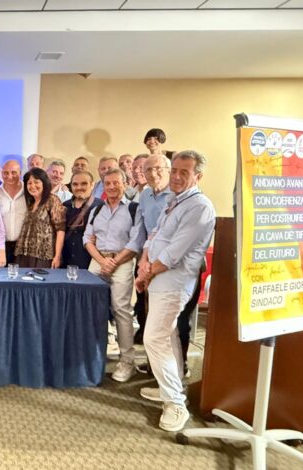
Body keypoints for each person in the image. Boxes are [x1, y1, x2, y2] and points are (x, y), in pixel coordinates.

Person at [136, 150, 215, 432]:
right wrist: (144, 262)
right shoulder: (174, 200)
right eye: (175, 171)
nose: (177, 177)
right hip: (158, 278)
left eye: (185, 172)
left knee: (154, 338)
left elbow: (173, 254)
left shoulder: (200, 207)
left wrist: (147, 272)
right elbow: (154, 236)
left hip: (174, 282)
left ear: (198, 176)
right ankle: (172, 386)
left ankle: (175, 403)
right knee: (167, 336)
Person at [83, 168, 145, 383]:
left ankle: (127, 362)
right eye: (107, 183)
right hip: (98, 261)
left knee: (121, 310)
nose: (111, 187)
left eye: (115, 183)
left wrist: (114, 262)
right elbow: (87, 239)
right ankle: (91, 356)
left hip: (123, 262)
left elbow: (136, 242)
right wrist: (102, 261)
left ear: (125, 184)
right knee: (90, 309)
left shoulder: (134, 209)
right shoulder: (97, 210)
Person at [133, 155, 172, 346]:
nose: (153, 173)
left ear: (169, 171)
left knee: (167, 313)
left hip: (169, 260)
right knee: (144, 305)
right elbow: (141, 229)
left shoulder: (177, 195)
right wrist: (142, 259)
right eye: (147, 169)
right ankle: (149, 351)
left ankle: (176, 359)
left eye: (158, 169)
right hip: (146, 257)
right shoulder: (145, 195)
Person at [14, 168, 66, 268]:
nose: (32, 186)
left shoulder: (52, 200)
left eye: (36, 182)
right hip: (24, 254)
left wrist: (57, 256)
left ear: (44, 183)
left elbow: (60, 230)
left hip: (43, 255)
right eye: (29, 183)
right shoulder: (31, 203)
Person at [62, 170, 102, 269]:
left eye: (84, 184)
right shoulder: (64, 206)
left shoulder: (101, 206)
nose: (79, 187)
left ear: (92, 185)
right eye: (75, 184)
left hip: (90, 262)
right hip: (65, 261)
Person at [0, 159, 26, 263]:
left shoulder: (29, 191)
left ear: (20, 173)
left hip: (24, 246)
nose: (9, 176)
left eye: (13, 172)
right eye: (6, 173)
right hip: (1, 247)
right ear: (1, 173)